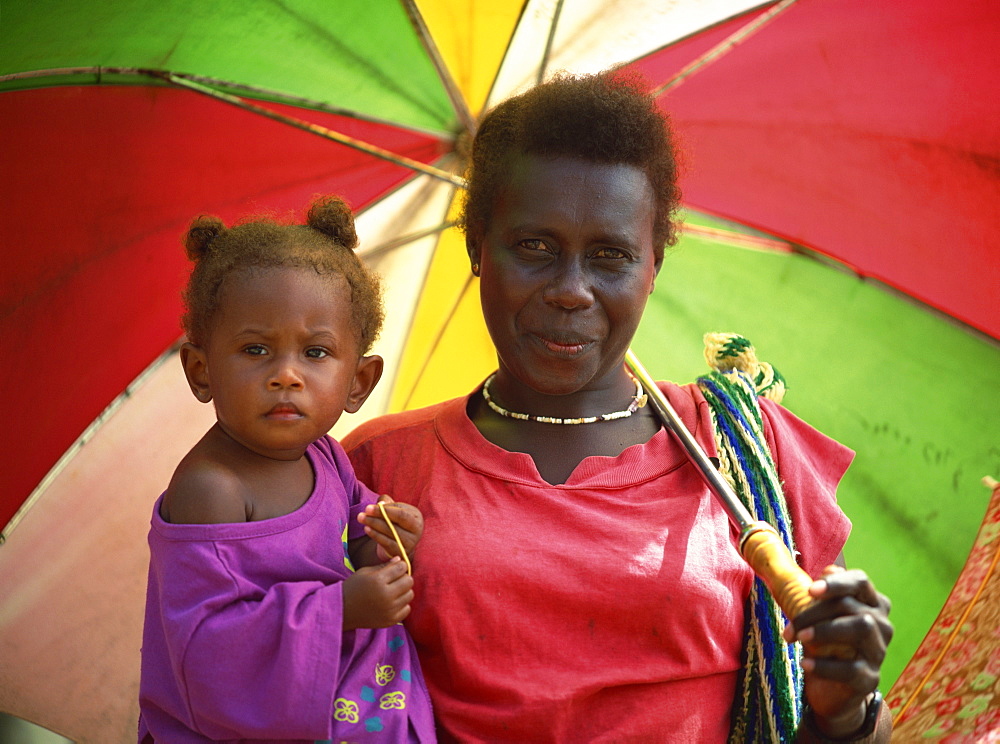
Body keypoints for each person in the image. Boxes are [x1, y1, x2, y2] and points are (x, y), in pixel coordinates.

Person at [343, 70, 893, 743]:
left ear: (654, 264)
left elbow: (826, 720)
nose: (571, 290)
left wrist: (844, 708)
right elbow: (319, 689)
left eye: (610, 256)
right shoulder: (378, 465)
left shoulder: (749, 453)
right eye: (535, 247)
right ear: (477, 249)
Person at [138, 195, 436, 742]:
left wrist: (386, 540)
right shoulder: (212, 489)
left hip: (346, 694)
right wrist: (340, 608)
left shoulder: (326, 456)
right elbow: (209, 649)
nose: (286, 376)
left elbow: (354, 537)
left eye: (316, 354)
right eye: (256, 350)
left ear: (359, 383)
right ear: (201, 371)